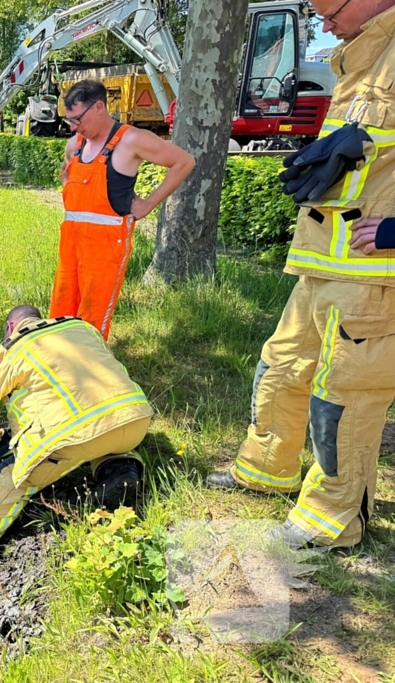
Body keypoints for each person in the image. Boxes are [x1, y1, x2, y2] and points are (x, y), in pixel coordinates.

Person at [207, 0, 395, 551]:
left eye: (328, 10)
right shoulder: (359, 58)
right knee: (282, 366)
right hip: (320, 263)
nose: (322, 23)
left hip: (371, 276)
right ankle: (266, 470)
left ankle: (330, 520)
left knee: (344, 396)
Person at [0, 305, 153, 562]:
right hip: (134, 419)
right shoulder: (79, 326)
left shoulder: (14, 349)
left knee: (19, 477)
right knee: (104, 434)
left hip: (74, 436)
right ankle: (121, 468)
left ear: (11, 327)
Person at [50, 80, 194, 340]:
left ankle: (90, 370)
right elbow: (66, 174)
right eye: (69, 120)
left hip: (106, 245)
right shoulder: (75, 144)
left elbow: (183, 162)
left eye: (77, 119)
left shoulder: (131, 139)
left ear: (98, 108)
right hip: (72, 242)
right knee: (62, 308)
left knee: (92, 317)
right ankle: (61, 365)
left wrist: (148, 204)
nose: (73, 127)